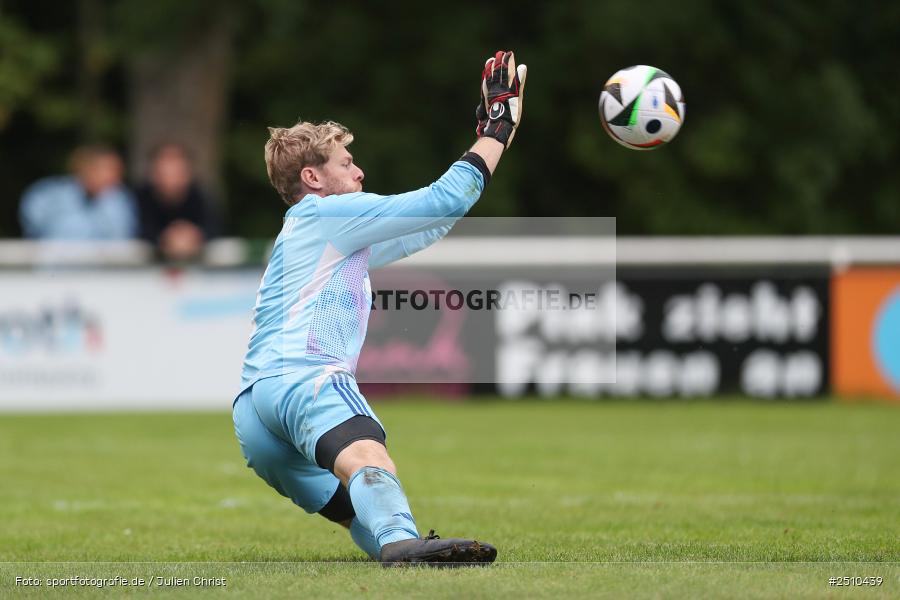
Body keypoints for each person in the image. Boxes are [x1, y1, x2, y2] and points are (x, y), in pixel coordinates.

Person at [232, 51, 527, 566]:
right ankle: (402, 544)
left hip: (254, 410)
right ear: (313, 178)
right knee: (369, 457)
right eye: (347, 163)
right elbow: (444, 199)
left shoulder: (316, 234)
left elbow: (432, 223)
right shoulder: (329, 214)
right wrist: (497, 129)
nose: (360, 170)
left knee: (354, 510)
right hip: (306, 379)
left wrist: (486, 144)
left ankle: (398, 545)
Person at [19, 145, 137, 240]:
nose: (117, 177)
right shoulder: (46, 194)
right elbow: (47, 233)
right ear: (88, 169)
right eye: (111, 170)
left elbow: (121, 235)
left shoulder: (118, 198)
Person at [136, 143, 220, 261]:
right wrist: (164, 239)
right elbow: (135, 231)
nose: (170, 181)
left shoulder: (201, 198)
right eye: (164, 174)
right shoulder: (139, 199)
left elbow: (215, 229)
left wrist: (196, 236)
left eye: (176, 173)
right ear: (153, 175)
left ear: (187, 175)